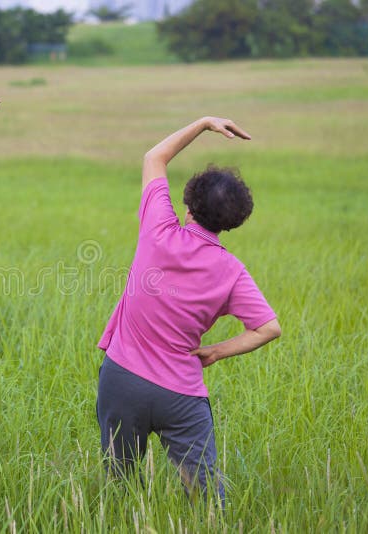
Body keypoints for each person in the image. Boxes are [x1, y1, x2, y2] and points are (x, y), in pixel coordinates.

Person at [96, 116, 282, 505]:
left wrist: (203, 124)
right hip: (180, 394)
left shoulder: (158, 229)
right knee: (206, 498)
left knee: (120, 486)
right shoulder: (232, 271)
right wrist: (215, 351)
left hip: (121, 379)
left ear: (189, 201)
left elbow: (154, 157)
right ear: (234, 221)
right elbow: (268, 328)